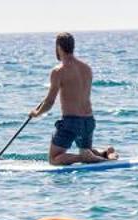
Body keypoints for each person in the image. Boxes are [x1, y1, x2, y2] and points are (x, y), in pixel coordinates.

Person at [31, 31, 117, 166]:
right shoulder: (86, 68)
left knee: (54, 158)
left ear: (59, 47)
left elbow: (49, 102)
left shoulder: (58, 71)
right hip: (89, 122)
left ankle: (83, 157)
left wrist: (36, 113)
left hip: (71, 122)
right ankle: (106, 152)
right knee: (86, 149)